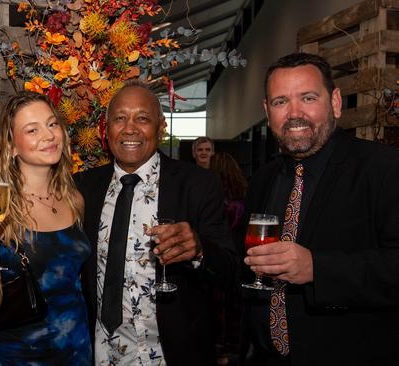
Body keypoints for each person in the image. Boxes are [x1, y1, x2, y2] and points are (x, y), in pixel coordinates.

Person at [242, 53, 399, 366]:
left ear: (336, 102)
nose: (294, 113)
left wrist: (318, 269)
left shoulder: (383, 169)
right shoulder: (263, 179)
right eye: (280, 102)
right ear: (267, 112)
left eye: (308, 98)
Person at [74, 80, 237, 365]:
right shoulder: (83, 187)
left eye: (143, 118)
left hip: (174, 353)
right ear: (106, 128)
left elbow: (230, 267)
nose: (130, 129)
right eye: (120, 118)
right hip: (99, 353)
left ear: (160, 127)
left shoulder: (198, 185)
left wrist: (199, 250)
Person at [0, 92, 92, 364]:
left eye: (52, 124)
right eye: (32, 130)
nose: (48, 135)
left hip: (76, 348)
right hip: (19, 355)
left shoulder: (74, 200)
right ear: (11, 146)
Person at [209, 152, 248, 365]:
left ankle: (219, 350)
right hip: (239, 260)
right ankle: (230, 350)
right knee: (233, 307)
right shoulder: (242, 198)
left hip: (218, 261)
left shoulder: (218, 203)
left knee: (218, 308)